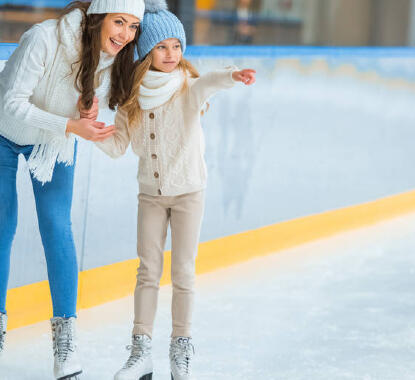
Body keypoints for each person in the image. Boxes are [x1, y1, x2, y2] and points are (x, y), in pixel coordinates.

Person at [0, 0, 145, 379]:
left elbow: (81, 98)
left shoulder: (112, 57)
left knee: (56, 227)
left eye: (133, 26)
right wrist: (70, 125)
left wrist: (84, 114)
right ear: (98, 18)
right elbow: (15, 102)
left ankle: (66, 340)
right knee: (1, 222)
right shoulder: (43, 38)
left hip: (50, 139)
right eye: (119, 21)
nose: (125, 34)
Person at [91, 1, 256, 379]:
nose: (171, 55)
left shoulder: (188, 89)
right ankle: (141, 351)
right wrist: (92, 130)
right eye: (162, 47)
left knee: (183, 272)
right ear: (147, 51)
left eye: (177, 47)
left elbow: (210, 81)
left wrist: (233, 76)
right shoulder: (130, 100)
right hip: (150, 194)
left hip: (188, 193)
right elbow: (117, 146)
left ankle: (180, 350)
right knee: (147, 272)